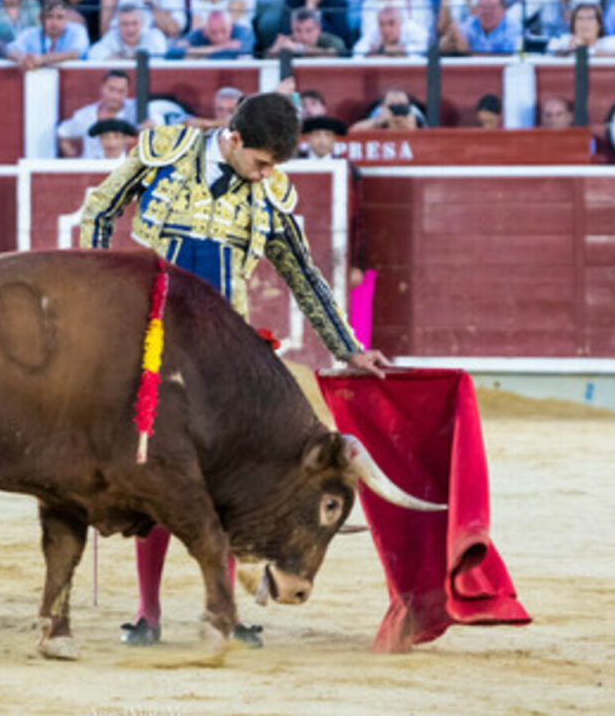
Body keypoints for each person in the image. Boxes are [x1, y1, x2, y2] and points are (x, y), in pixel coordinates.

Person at [78, 92, 391, 648]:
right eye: (262, 162)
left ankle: (223, 611)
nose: (268, 174)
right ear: (234, 137)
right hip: (153, 344)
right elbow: (99, 211)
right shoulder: (164, 151)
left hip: (228, 361)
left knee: (228, 483)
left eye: (275, 166)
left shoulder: (272, 191)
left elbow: (302, 272)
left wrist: (348, 347)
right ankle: (148, 612)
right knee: (152, 473)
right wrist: (95, 303)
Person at [57, 70, 136, 157]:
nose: (115, 96)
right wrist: (73, 158)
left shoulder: (134, 110)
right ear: (102, 88)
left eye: (121, 91)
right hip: (91, 167)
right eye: (111, 89)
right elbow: (62, 133)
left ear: (127, 92)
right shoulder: (86, 115)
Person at [6, 0, 89, 69]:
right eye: (49, 17)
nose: (54, 22)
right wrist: (24, 60)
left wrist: (42, 59)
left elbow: (75, 53)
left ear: (66, 19)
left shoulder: (77, 31)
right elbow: (11, 49)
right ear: (40, 19)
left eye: (60, 17)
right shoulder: (30, 33)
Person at [440, 0, 520, 54]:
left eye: (492, 7)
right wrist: (451, 36)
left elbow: (508, 57)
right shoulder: (471, 23)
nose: (487, 12)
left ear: (504, 10)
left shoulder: (513, 28)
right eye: (483, 7)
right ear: (476, 9)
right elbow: (448, 42)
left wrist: (468, 51)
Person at [87, 2, 168, 58]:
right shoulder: (112, 36)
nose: (130, 29)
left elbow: (158, 58)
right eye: (125, 24)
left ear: (142, 23)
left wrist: (123, 59)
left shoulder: (154, 36)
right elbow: (93, 53)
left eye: (134, 23)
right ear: (118, 25)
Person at [168, 8, 253, 58]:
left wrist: (199, 55)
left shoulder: (244, 32)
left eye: (224, 31)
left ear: (231, 27)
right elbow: (173, 51)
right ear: (205, 31)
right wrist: (218, 48)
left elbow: (245, 49)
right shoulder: (199, 34)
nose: (219, 37)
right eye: (213, 32)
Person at [546, 2, 615, 55]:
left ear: (599, 25)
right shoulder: (564, 40)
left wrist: (583, 50)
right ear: (573, 25)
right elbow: (551, 52)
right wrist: (569, 50)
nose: (585, 23)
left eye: (590, 18)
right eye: (580, 18)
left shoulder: (612, 42)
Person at [352, 3, 429, 55]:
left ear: (401, 22)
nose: (386, 29)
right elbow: (357, 50)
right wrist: (377, 48)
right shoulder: (375, 29)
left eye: (391, 23)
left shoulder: (410, 27)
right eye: (382, 24)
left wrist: (400, 50)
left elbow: (427, 47)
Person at [269, 6, 348, 56]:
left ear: (319, 29)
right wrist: (275, 49)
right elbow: (265, 64)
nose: (304, 37)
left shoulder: (333, 41)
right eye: (298, 30)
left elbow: (331, 55)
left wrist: (298, 49)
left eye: (309, 30)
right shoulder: (288, 42)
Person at [349, 87, 423, 131]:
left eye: (401, 105)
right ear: (382, 107)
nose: (396, 110)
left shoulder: (415, 119)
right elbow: (353, 131)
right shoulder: (378, 119)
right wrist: (377, 122)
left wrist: (412, 126)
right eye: (392, 105)